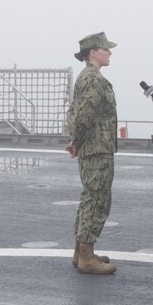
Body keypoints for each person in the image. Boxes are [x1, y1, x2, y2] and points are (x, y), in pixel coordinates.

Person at [65, 32, 118, 275]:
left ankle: (81, 252)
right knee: (97, 199)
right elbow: (83, 116)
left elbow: (76, 113)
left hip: (92, 146)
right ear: (93, 52)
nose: (109, 53)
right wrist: (77, 140)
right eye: (105, 49)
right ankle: (86, 256)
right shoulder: (94, 79)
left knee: (90, 197)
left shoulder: (87, 77)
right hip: (97, 149)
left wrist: (76, 141)